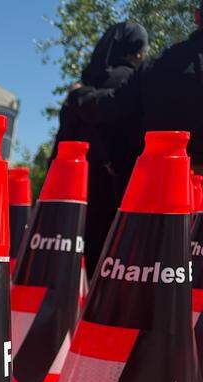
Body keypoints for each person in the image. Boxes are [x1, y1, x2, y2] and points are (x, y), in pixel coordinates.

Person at [57, 21, 147, 275]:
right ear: (137, 50)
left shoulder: (80, 87)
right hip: (116, 188)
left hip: (73, 190)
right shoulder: (130, 82)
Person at [72, 2, 203, 173]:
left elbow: (109, 105)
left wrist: (79, 94)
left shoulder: (156, 66)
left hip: (166, 184)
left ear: (197, 16)